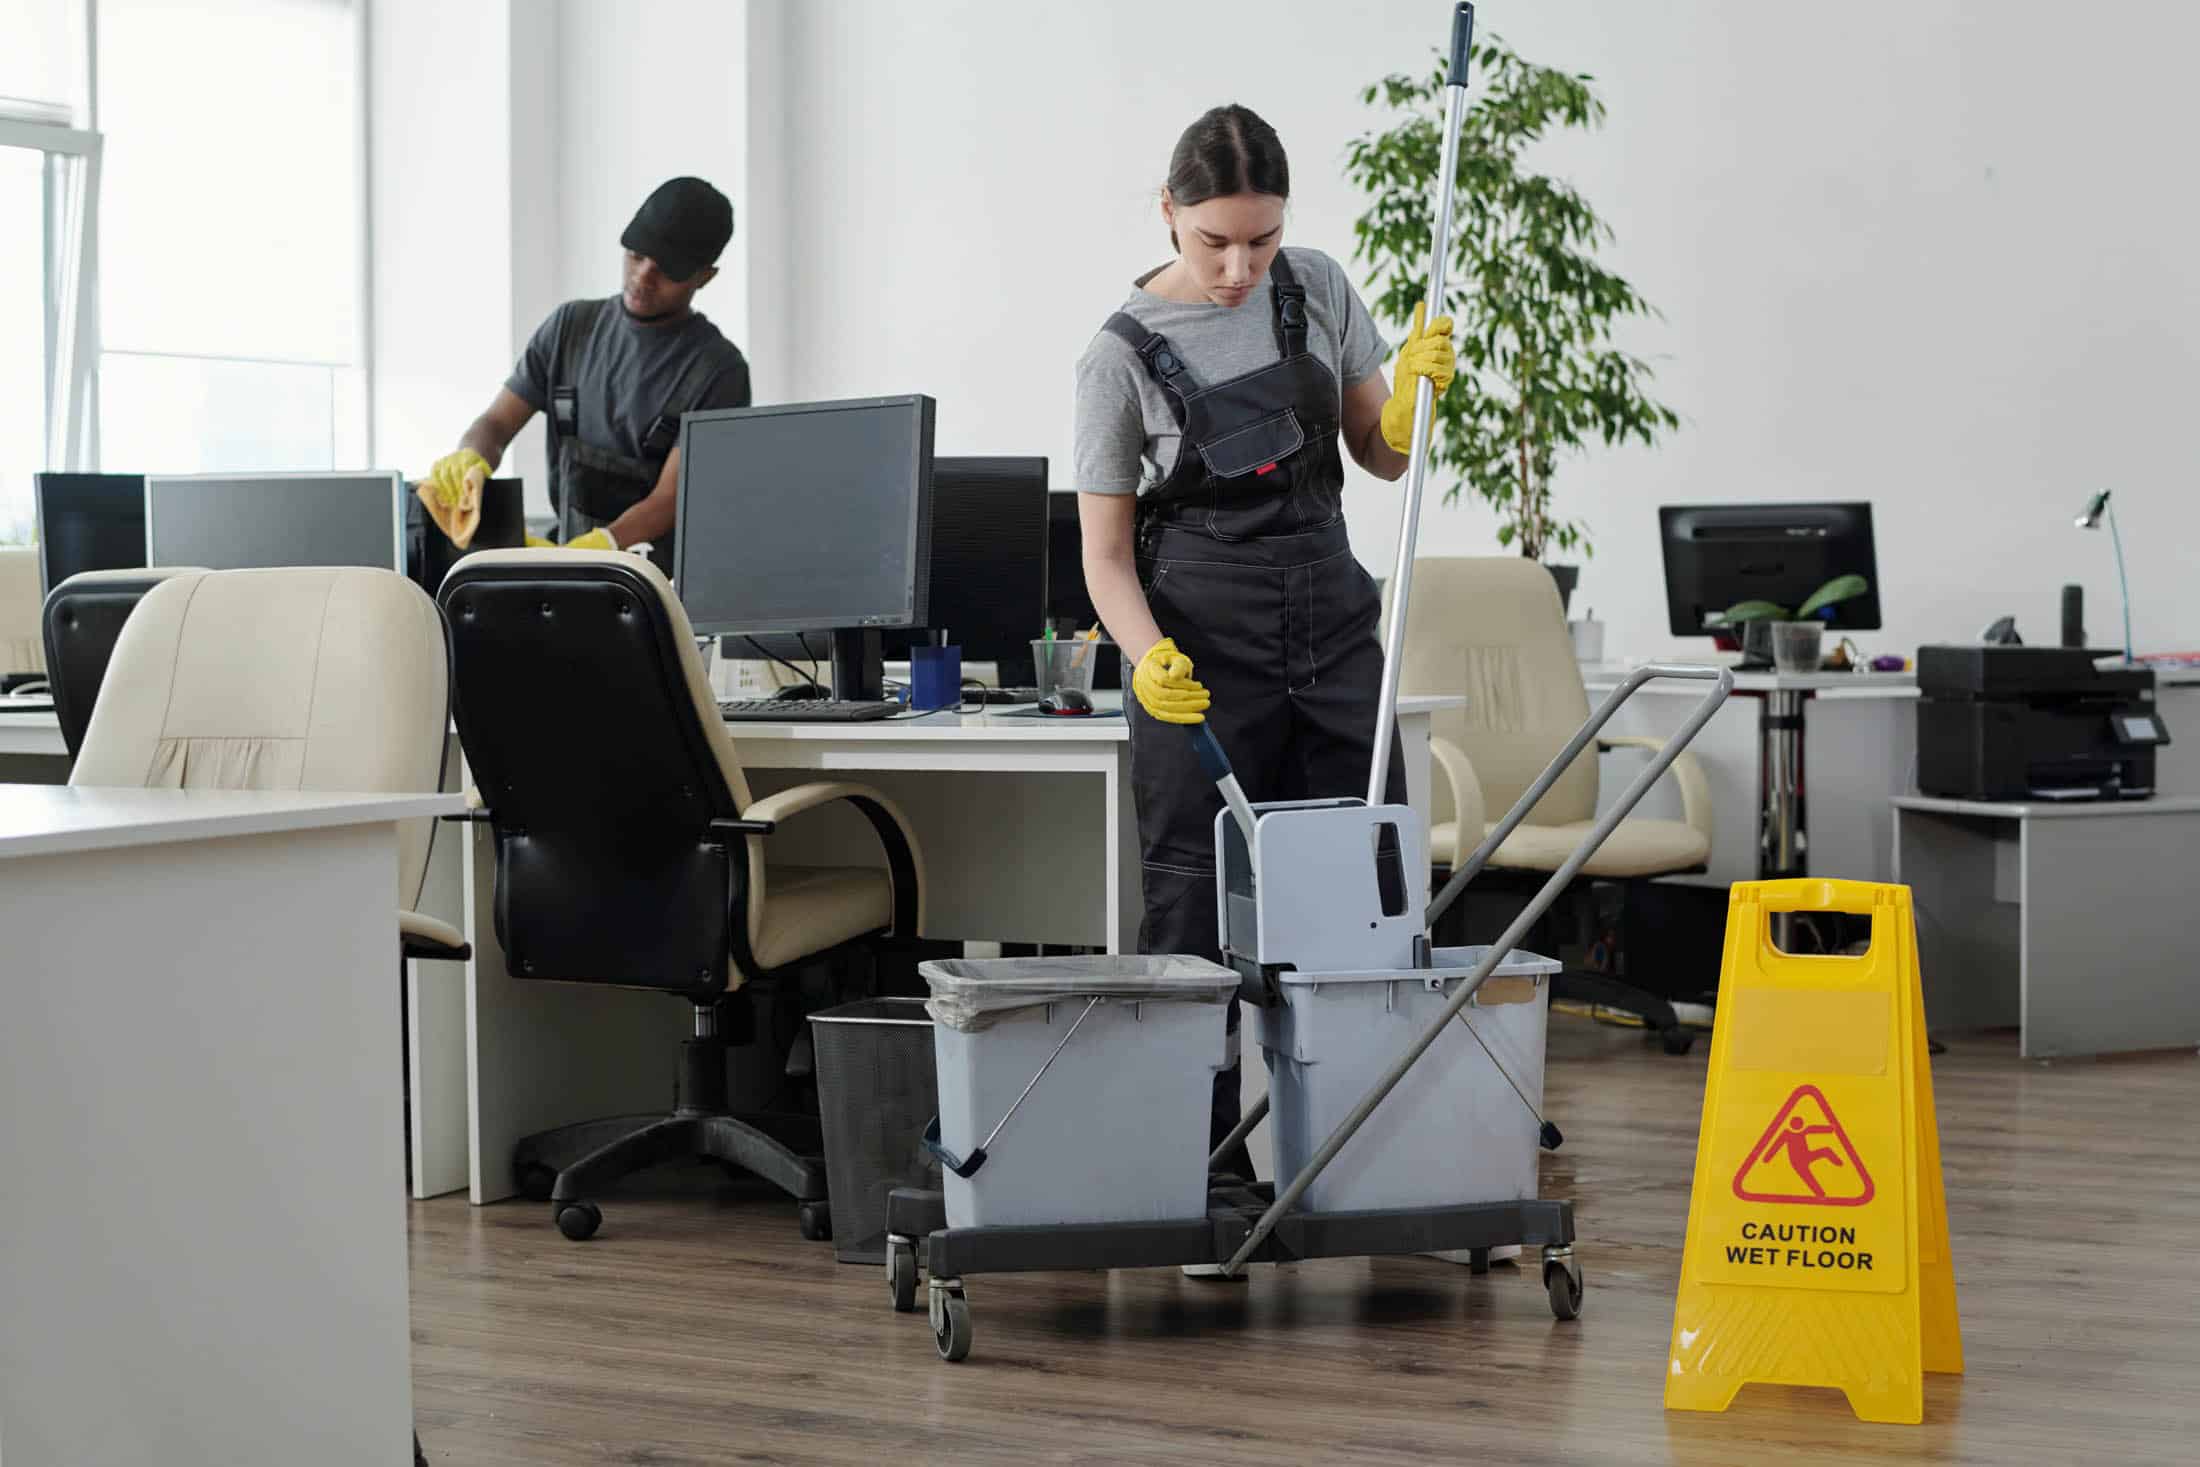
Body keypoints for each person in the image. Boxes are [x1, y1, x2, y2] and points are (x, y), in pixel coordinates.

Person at [1072, 104, 1455, 1194]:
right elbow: (1104, 558)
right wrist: (1146, 657)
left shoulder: (1320, 287)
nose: (1241, 266)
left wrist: (1418, 399)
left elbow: (1380, 459)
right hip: (1199, 650)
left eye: (1263, 239)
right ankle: (1200, 1176)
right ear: (1168, 214)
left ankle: (1354, 1155)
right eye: (1214, 242)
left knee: (1351, 887)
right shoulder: (1120, 357)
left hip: (1330, 629)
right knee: (1194, 902)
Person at [416, 176, 752, 572]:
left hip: (658, 582)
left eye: (668, 270)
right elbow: (496, 422)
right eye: (635, 255)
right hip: (568, 560)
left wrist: (601, 547)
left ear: (705, 276)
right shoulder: (569, 329)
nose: (644, 275)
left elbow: (669, 499)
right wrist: (470, 456)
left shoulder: (717, 370)